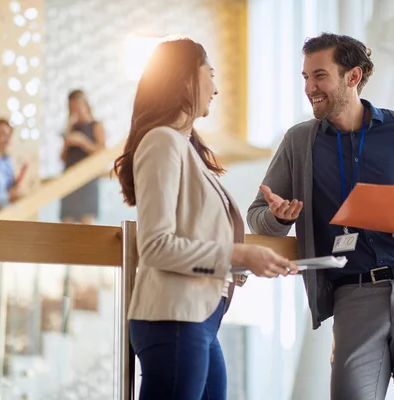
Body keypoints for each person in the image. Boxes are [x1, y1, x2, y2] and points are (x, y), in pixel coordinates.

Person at [247, 33, 394, 400]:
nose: (310, 87)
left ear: (353, 77)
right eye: (305, 78)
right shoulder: (300, 142)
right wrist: (280, 218)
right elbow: (257, 215)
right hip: (355, 295)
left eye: (319, 76)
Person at [113, 37, 297, 400]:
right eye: (209, 75)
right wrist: (239, 254)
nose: (216, 87)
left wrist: (244, 264)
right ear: (185, 81)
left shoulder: (183, 146)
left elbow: (194, 236)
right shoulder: (162, 142)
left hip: (197, 318)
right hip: (174, 318)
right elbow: (155, 246)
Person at [60, 89, 106, 225]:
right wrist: (67, 143)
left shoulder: (96, 125)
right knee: (66, 222)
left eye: (77, 107)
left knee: (86, 222)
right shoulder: (70, 127)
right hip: (69, 176)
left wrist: (82, 142)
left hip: (87, 179)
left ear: (85, 105)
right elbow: (62, 158)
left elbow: (102, 152)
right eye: (71, 108)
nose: (75, 112)